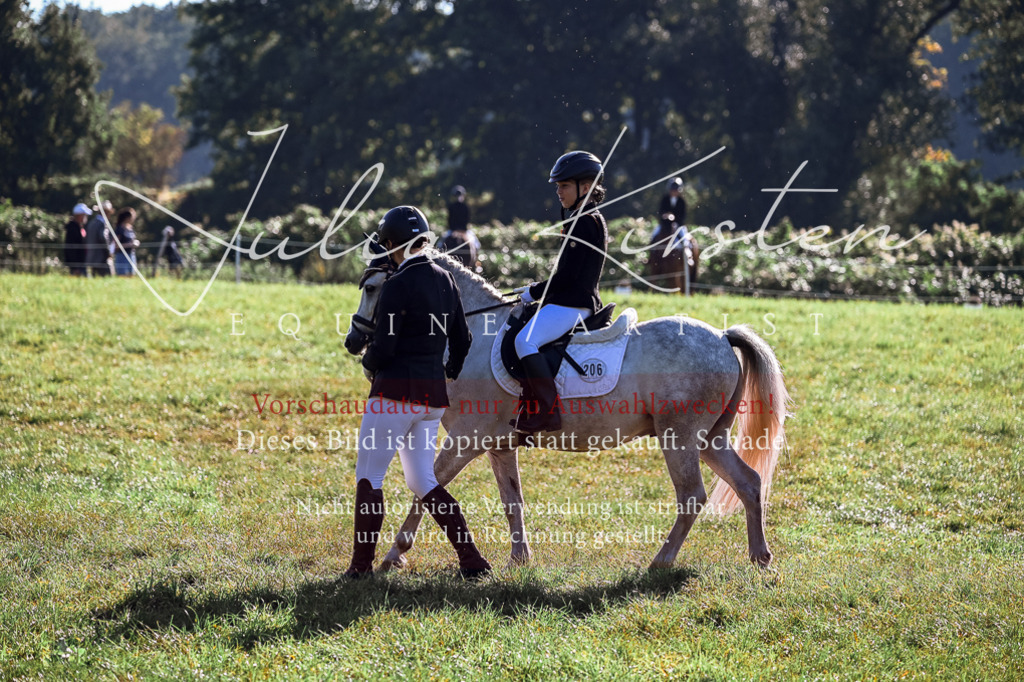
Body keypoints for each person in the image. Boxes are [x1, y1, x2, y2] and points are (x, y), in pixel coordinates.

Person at [346, 205, 491, 580]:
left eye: (386, 245)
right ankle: (472, 560)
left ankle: (360, 569)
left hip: (394, 394)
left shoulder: (397, 284)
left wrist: (368, 363)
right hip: (432, 399)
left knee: (369, 477)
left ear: (393, 244)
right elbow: (463, 339)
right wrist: (448, 372)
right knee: (423, 480)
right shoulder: (447, 279)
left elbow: (385, 347)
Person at [512, 151, 609, 435]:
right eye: (558, 186)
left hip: (573, 304)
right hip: (572, 300)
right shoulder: (585, 217)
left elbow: (568, 277)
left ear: (586, 187)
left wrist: (534, 291)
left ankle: (547, 412)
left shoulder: (584, 221)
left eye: (564, 185)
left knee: (524, 341)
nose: (558, 192)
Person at [440, 185, 480, 269]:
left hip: (461, 230)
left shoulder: (464, 207)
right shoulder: (453, 207)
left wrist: (459, 229)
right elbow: (452, 219)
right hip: (455, 230)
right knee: (440, 244)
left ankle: (477, 262)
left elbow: (463, 219)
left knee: (477, 244)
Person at [84, 200, 115, 277]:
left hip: (92, 258)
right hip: (102, 258)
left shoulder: (91, 223)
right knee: (106, 278)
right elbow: (103, 237)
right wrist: (108, 252)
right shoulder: (103, 224)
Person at [63, 203, 90, 276]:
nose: (86, 217)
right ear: (79, 216)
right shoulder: (72, 229)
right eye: (84, 215)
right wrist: (75, 267)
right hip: (77, 266)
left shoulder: (79, 227)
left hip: (82, 263)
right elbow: (71, 249)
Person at [112, 208, 140, 277]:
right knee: (122, 275)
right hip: (121, 255)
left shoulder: (131, 228)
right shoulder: (119, 229)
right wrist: (130, 245)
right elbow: (116, 245)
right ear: (127, 218)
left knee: (131, 275)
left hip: (131, 254)